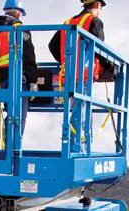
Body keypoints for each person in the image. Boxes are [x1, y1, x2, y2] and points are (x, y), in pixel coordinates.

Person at [48, 0, 107, 153]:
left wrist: (66, 61)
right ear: (98, 5)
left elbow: (52, 45)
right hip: (85, 76)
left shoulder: (68, 22)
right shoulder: (94, 21)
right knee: (82, 112)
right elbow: (100, 49)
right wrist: (111, 67)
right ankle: (81, 148)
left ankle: (72, 146)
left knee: (73, 111)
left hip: (67, 76)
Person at [0, 0, 39, 138]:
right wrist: (33, 81)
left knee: (6, 113)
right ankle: (13, 148)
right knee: (18, 116)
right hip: (17, 79)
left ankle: (6, 147)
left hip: (0, 80)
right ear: (19, 14)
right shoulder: (19, 29)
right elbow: (28, 55)